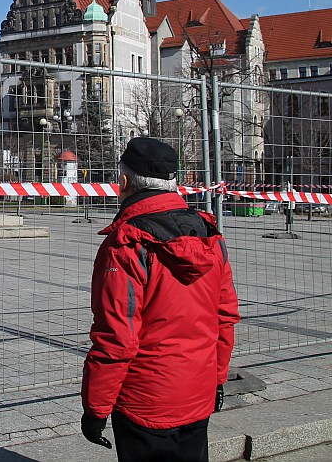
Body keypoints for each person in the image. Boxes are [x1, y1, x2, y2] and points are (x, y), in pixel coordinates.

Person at [80, 137, 240, 462]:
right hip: (198, 392)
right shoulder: (210, 235)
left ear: (124, 181)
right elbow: (225, 318)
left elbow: (116, 338)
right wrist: (217, 379)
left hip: (145, 403)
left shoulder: (127, 245)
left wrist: (96, 408)